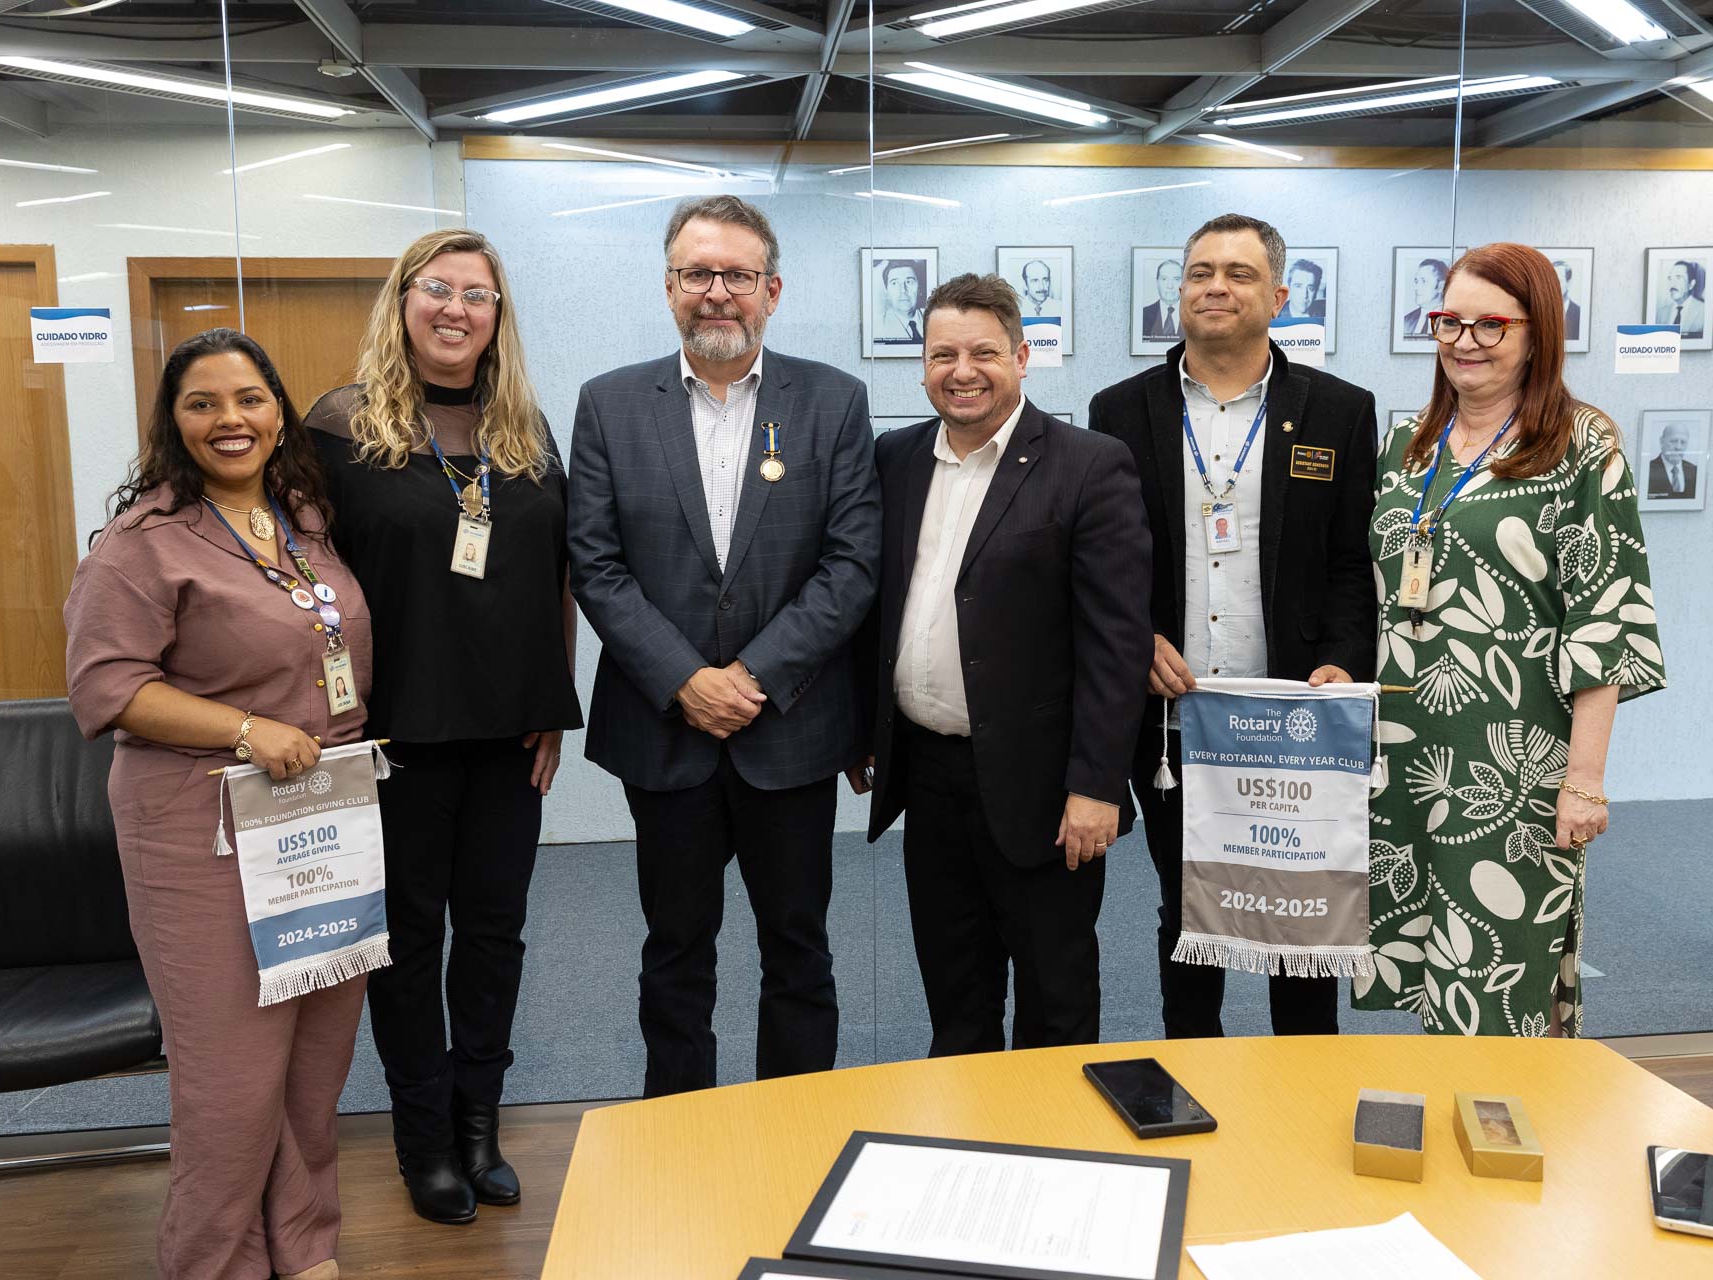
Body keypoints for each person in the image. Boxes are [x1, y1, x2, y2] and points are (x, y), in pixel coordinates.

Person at [64, 328, 373, 1280]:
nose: (229, 420)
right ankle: (213, 1262)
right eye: (202, 403)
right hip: (200, 830)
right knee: (232, 1084)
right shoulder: (142, 543)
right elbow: (107, 687)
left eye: (249, 399)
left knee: (315, 1065)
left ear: (279, 412)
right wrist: (246, 730)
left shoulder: (303, 519)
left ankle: (303, 1245)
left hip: (321, 821)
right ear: (174, 422)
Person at [569, 195, 879, 1097]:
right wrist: (685, 680)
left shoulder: (832, 401)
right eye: (697, 273)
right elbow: (596, 564)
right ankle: (679, 1127)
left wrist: (752, 675)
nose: (717, 292)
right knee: (674, 950)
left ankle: (796, 1124)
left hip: (790, 731)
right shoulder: (609, 404)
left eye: (737, 275)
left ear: (771, 291)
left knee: (798, 948)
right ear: (669, 287)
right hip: (665, 734)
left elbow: (852, 563)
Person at [305, 228, 583, 1224]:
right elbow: (302, 580)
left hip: (510, 732)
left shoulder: (527, 430)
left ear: (497, 316)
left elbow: (556, 573)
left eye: (478, 294)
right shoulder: (340, 427)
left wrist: (554, 703)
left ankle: (479, 1128)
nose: (457, 309)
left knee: (496, 934)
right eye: (439, 289)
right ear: (403, 300)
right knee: (410, 941)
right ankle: (423, 1140)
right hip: (396, 736)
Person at [1353, 241, 1665, 1037]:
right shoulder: (1406, 444)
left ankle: (1500, 1113)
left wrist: (1585, 781)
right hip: (1404, 753)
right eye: (1449, 321)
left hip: (1512, 761)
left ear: (1538, 332)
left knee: (1498, 973)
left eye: (1491, 324)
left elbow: (1605, 620)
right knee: (1430, 966)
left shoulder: (1582, 446)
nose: (1465, 341)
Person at [1089, 213, 1378, 1039]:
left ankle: (1307, 1080)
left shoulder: (1338, 411)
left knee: (1301, 914)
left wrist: (1342, 661)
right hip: (1176, 720)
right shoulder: (1120, 410)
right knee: (1187, 910)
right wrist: (1135, 639)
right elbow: (1103, 560)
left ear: (1279, 297)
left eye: (1239, 273)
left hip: (1296, 716)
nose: (1216, 286)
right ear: (1179, 291)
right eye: (1200, 272)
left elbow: (1353, 561)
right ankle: (1193, 1072)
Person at [850, 274, 1151, 1055]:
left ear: (1021, 357)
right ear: (923, 365)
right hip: (929, 776)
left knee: (1055, 1000)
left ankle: (1051, 1133)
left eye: (983, 352)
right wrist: (865, 730)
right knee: (956, 995)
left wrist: (1096, 785)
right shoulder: (896, 458)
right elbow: (878, 608)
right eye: (942, 354)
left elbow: (1118, 645)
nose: (963, 371)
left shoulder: (1089, 465)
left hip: (1045, 787)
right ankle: (966, 1126)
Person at [874, 259, 926, 343]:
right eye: (894, 283)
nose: (903, 290)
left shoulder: (932, 320)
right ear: (887, 291)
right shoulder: (876, 328)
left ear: (919, 288)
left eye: (909, 282)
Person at [1656, 259, 1707, 337]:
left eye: (1678, 277)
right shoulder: (1661, 313)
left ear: (1691, 284)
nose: (1672, 284)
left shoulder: (1703, 312)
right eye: (1670, 278)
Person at [1401, 257, 1450, 338]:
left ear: (1440, 286)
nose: (1416, 287)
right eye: (1416, 281)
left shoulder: (1452, 320)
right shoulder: (1406, 321)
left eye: (1423, 281)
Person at [1647, 422, 1699, 497]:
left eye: (1683, 442)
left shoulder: (1695, 472)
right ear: (1661, 441)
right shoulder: (1647, 470)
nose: (1678, 447)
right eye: (1673, 441)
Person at [1142, 259, 1183, 339]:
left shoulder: (1194, 315)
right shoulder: (1144, 314)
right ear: (1157, 282)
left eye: (1176, 279)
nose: (1170, 286)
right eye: (1164, 279)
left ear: (1183, 282)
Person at [1552, 259, 1582, 342]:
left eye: (1559, 281)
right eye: (1551, 281)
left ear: (1569, 282)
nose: (1554, 286)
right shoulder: (1540, 312)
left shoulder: (1579, 313)